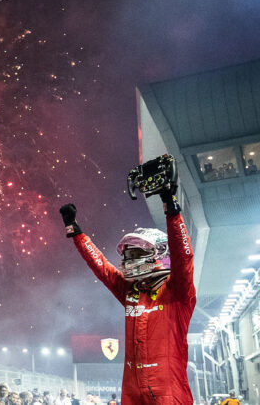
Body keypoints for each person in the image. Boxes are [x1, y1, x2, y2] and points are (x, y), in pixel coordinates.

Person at [60, 173, 196, 404]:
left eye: (137, 253)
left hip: (168, 390)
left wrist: (171, 208)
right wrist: (77, 233)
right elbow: (102, 267)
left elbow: (183, 256)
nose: (129, 260)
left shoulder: (178, 292)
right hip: (132, 391)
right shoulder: (131, 293)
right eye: (128, 255)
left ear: (160, 254)